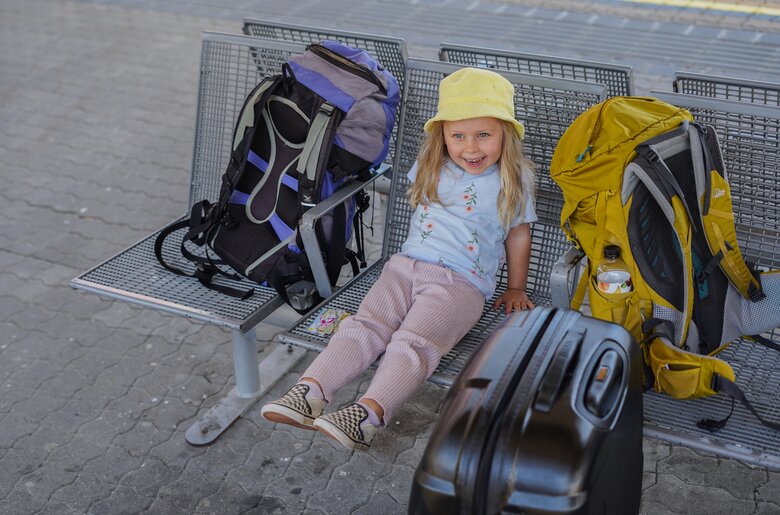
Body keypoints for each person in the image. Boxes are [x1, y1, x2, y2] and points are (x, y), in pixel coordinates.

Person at [261, 67, 537, 451]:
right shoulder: (432, 165)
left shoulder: (514, 179)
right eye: (458, 135)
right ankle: (310, 392)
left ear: (505, 134)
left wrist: (517, 286)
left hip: (461, 283)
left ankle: (368, 415)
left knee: (412, 342)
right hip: (404, 267)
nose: (471, 148)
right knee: (364, 326)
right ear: (442, 135)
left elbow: (519, 232)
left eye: (484, 135)